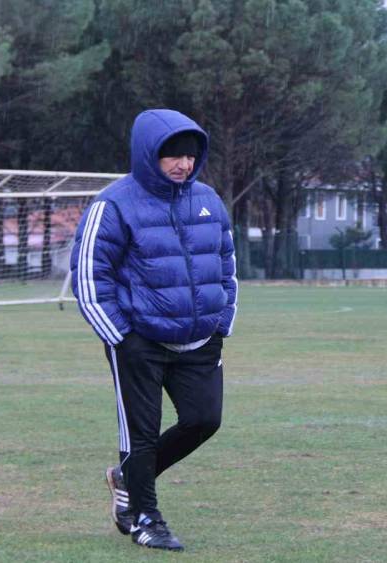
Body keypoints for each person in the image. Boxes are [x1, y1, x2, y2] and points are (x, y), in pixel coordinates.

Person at [70, 109, 238, 552]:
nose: (184, 164)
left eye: (190, 155)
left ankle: (126, 478)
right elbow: (89, 275)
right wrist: (120, 337)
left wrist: (221, 323)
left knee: (204, 420)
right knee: (141, 436)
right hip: (139, 341)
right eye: (173, 155)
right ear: (149, 154)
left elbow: (226, 264)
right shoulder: (113, 204)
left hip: (200, 340)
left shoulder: (208, 200)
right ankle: (146, 519)